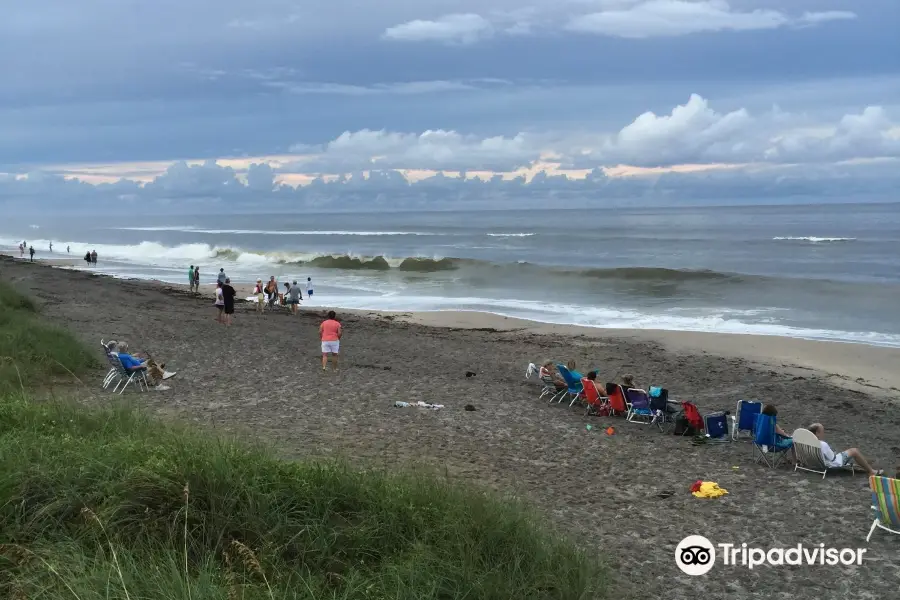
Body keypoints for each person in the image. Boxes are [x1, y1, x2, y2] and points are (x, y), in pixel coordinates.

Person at [808, 423, 883, 476]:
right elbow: (832, 458)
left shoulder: (805, 442)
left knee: (851, 453)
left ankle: (866, 463)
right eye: (822, 432)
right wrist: (833, 453)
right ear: (817, 433)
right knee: (854, 451)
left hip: (816, 463)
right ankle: (871, 471)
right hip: (831, 464)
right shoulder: (822, 444)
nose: (823, 434)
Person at [106, 341, 175, 384]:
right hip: (136, 371)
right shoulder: (126, 357)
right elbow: (130, 368)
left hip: (137, 366)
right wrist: (141, 366)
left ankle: (160, 371)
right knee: (153, 365)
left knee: (151, 361)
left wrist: (142, 359)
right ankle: (161, 377)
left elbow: (133, 362)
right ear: (126, 348)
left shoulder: (120, 355)